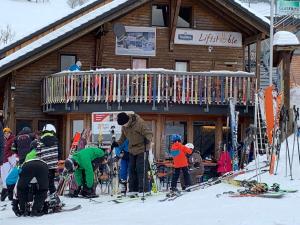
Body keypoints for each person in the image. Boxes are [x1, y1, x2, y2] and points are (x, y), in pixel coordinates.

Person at [113, 112, 153, 195]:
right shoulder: (124, 127)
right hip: (132, 149)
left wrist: (147, 139)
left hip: (142, 148)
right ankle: (133, 189)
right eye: (123, 125)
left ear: (128, 120)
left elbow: (149, 133)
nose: (124, 126)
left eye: (125, 124)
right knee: (131, 170)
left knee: (141, 169)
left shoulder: (139, 123)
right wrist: (117, 143)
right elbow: (123, 138)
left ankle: (143, 190)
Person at [30, 124, 61, 194]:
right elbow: (60, 152)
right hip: (53, 164)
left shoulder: (40, 141)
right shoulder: (56, 140)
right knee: (51, 180)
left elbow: (38, 154)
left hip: (44, 165)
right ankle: (53, 195)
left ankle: (43, 195)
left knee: (43, 180)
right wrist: (57, 162)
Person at [1, 127, 16, 201]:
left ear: (10, 133)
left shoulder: (12, 140)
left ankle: (9, 193)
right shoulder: (4, 140)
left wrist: (11, 157)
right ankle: (5, 192)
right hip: (3, 161)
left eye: (7, 133)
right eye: (5, 133)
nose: (6, 134)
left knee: (8, 178)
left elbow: (13, 150)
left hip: (9, 161)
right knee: (4, 178)